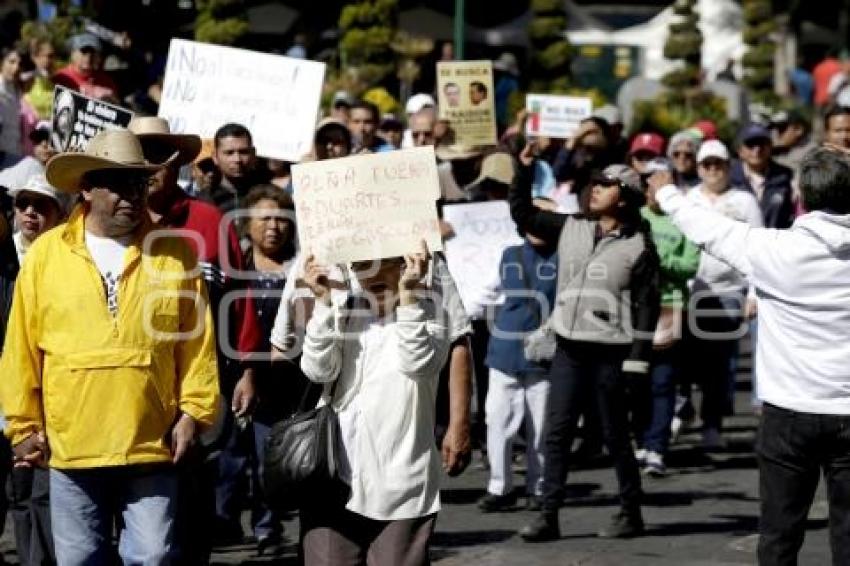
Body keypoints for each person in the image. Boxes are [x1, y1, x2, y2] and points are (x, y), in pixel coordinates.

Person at [0, 128, 220, 563]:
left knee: (154, 556)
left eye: (138, 184)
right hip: (72, 445)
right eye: (118, 186)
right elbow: (20, 348)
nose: (131, 196)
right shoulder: (46, 255)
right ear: (86, 189)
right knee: (80, 560)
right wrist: (22, 427)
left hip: (151, 441)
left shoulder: (175, 252)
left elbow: (197, 344)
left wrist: (194, 411)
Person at [649, 145, 850, 566]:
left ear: (802, 199)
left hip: (788, 413)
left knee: (778, 535)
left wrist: (667, 192)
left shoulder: (769, 249)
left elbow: (703, 227)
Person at [511, 144, 660, 542]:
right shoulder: (570, 225)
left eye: (606, 185)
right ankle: (548, 514)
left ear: (625, 198)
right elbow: (522, 214)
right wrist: (523, 171)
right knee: (555, 432)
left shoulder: (640, 246)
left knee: (615, 436)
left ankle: (631, 512)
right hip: (569, 349)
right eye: (594, 183)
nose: (595, 189)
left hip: (612, 353)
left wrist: (638, 359)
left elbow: (648, 306)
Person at [128, 116, 262, 556]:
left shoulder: (209, 219)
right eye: (141, 157)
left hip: (201, 379)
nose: (150, 168)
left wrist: (246, 369)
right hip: (131, 381)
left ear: (175, 164)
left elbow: (238, 298)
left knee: (194, 485)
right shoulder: (115, 221)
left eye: (159, 158)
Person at [299, 244, 451, 566]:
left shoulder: (431, 313)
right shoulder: (347, 312)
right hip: (334, 476)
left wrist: (408, 297)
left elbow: (417, 365)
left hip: (400, 481)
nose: (373, 273)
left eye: (386, 262)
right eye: (362, 264)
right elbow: (317, 370)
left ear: (407, 264)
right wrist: (323, 303)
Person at [477, 197, 558, 513]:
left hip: (546, 354)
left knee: (542, 425)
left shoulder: (566, 258)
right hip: (506, 352)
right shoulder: (508, 255)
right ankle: (500, 487)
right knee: (498, 422)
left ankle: (538, 486)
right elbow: (485, 293)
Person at [682, 140, 763, 449]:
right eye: (706, 165)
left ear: (729, 167)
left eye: (719, 164)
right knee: (686, 363)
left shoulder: (744, 201)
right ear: (699, 168)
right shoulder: (688, 199)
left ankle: (712, 425)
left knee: (718, 364)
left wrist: (754, 293)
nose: (713, 170)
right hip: (689, 291)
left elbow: (757, 248)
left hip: (729, 292)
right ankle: (684, 411)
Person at [4, 174, 66, 566]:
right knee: (15, 490)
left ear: (59, 214)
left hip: (50, 388)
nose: (30, 213)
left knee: (41, 489)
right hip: (8, 385)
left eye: (40, 205)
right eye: (23, 204)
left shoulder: (65, 258)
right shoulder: (4, 255)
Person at [240, 185, 299, 556]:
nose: (274, 227)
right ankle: (266, 527)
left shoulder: (302, 267)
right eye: (264, 219)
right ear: (248, 225)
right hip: (255, 380)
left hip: (300, 379)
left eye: (281, 219)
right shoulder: (239, 269)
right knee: (262, 461)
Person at [632, 165, 700, 476]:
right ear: (646, 192)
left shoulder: (683, 221)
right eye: (651, 189)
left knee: (663, 382)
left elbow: (690, 265)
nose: (656, 195)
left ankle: (657, 448)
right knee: (636, 381)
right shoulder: (636, 218)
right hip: (634, 306)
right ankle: (641, 440)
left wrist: (659, 258)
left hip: (670, 307)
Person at [730, 124, 795, 229]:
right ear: (739, 150)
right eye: (750, 144)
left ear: (770, 147)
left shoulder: (785, 177)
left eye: (762, 144)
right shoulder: (728, 179)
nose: (757, 149)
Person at [203, 122, 270, 213]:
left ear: (253, 154)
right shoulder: (204, 200)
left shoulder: (270, 195)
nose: (237, 159)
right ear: (215, 157)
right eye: (229, 153)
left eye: (243, 152)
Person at [52, 33, 118, 102]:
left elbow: (117, 107)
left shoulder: (107, 82)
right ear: (72, 54)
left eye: (93, 52)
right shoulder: (60, 78)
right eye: (84, 51)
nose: (89, 56)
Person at [771, 109, 816, 175]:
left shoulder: (813, 154)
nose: (776, 133)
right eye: (774, 129)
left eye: (781, 129)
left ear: (799, 129)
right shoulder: (775, 151)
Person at [23, 37, 55, 121]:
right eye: (47, 56)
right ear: (35, 57)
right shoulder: (26, 79)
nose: (50, 60)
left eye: (52, 56)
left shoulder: (56, 82)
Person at [0, 46, 23, 159]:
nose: (16, 67)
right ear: (2, 63)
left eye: (19, 64)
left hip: (15, 153)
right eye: (11, 62)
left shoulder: (17, 90)